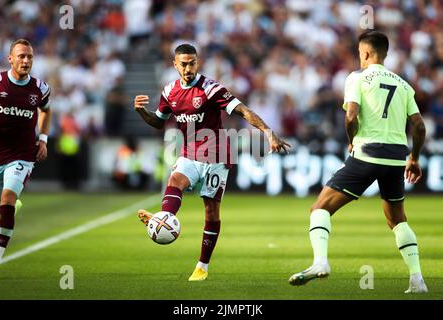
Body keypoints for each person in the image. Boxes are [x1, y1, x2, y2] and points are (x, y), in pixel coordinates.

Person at [134, 43, 290, 281]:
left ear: (198, 62)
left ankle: (202, 266)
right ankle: (163, 219)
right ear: (175, 65)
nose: (188, 68)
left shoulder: (211, 89)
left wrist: (268, 133)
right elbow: (158, 121)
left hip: (217, 156)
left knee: (211, 208)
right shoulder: (169, 92)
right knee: (175, 179)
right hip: (189, 152)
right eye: (183, 64)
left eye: (192, 63)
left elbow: (243, 111)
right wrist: (141, 112)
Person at [288, 31, 428, 294]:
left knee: (319, 208)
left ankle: (320, 262)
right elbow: (419, 126)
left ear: (364, 53)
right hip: (396, 157)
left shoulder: (356, 78)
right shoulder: (404, 84)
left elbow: (351, 116)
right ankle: (417, 279)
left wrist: (351, 140)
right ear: (384, 54)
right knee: (397, 220)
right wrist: (414, 158)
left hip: (367, 153)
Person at [0, 39, 51, 274]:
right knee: (1, 206)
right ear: (10, 59)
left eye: (29, 57)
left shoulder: (40, 88)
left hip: (21, 155)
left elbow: (46, 110)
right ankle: (9, 206)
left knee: (7, 199)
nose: (26, 61)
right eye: (21, 56)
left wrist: (43, 139)